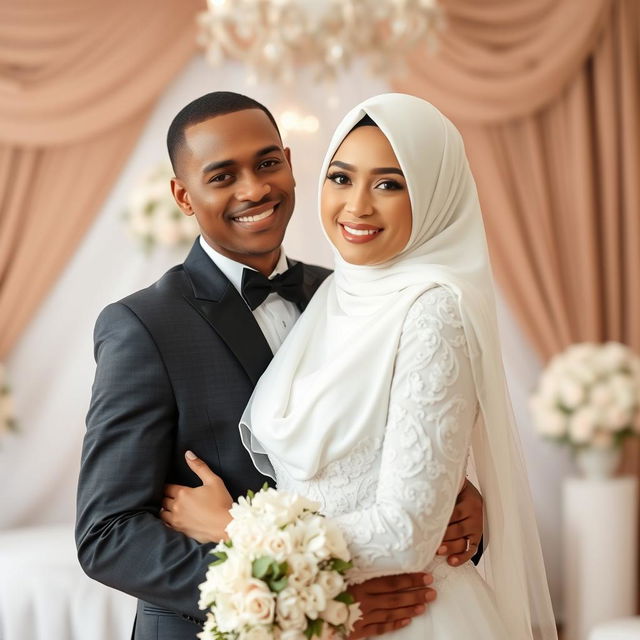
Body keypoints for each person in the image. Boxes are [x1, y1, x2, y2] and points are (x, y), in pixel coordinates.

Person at [75, 92, 485, 640]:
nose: (254, 189)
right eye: (222, 176)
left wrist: (462, 509)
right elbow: (108, 533)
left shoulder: (351, 292)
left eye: (267, 163)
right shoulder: (143, 325)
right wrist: (303, 594)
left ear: (290, 165)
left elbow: (397, 461)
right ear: (183, 196)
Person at [164, 94, 558, 639]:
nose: (358, 206)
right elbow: (106, 532)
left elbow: (407, 531)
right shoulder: (335, 292)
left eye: (390, 184)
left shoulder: (434, 310)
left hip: (409, 618)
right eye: (343, 178)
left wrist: (238, 535)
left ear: (432, 194)